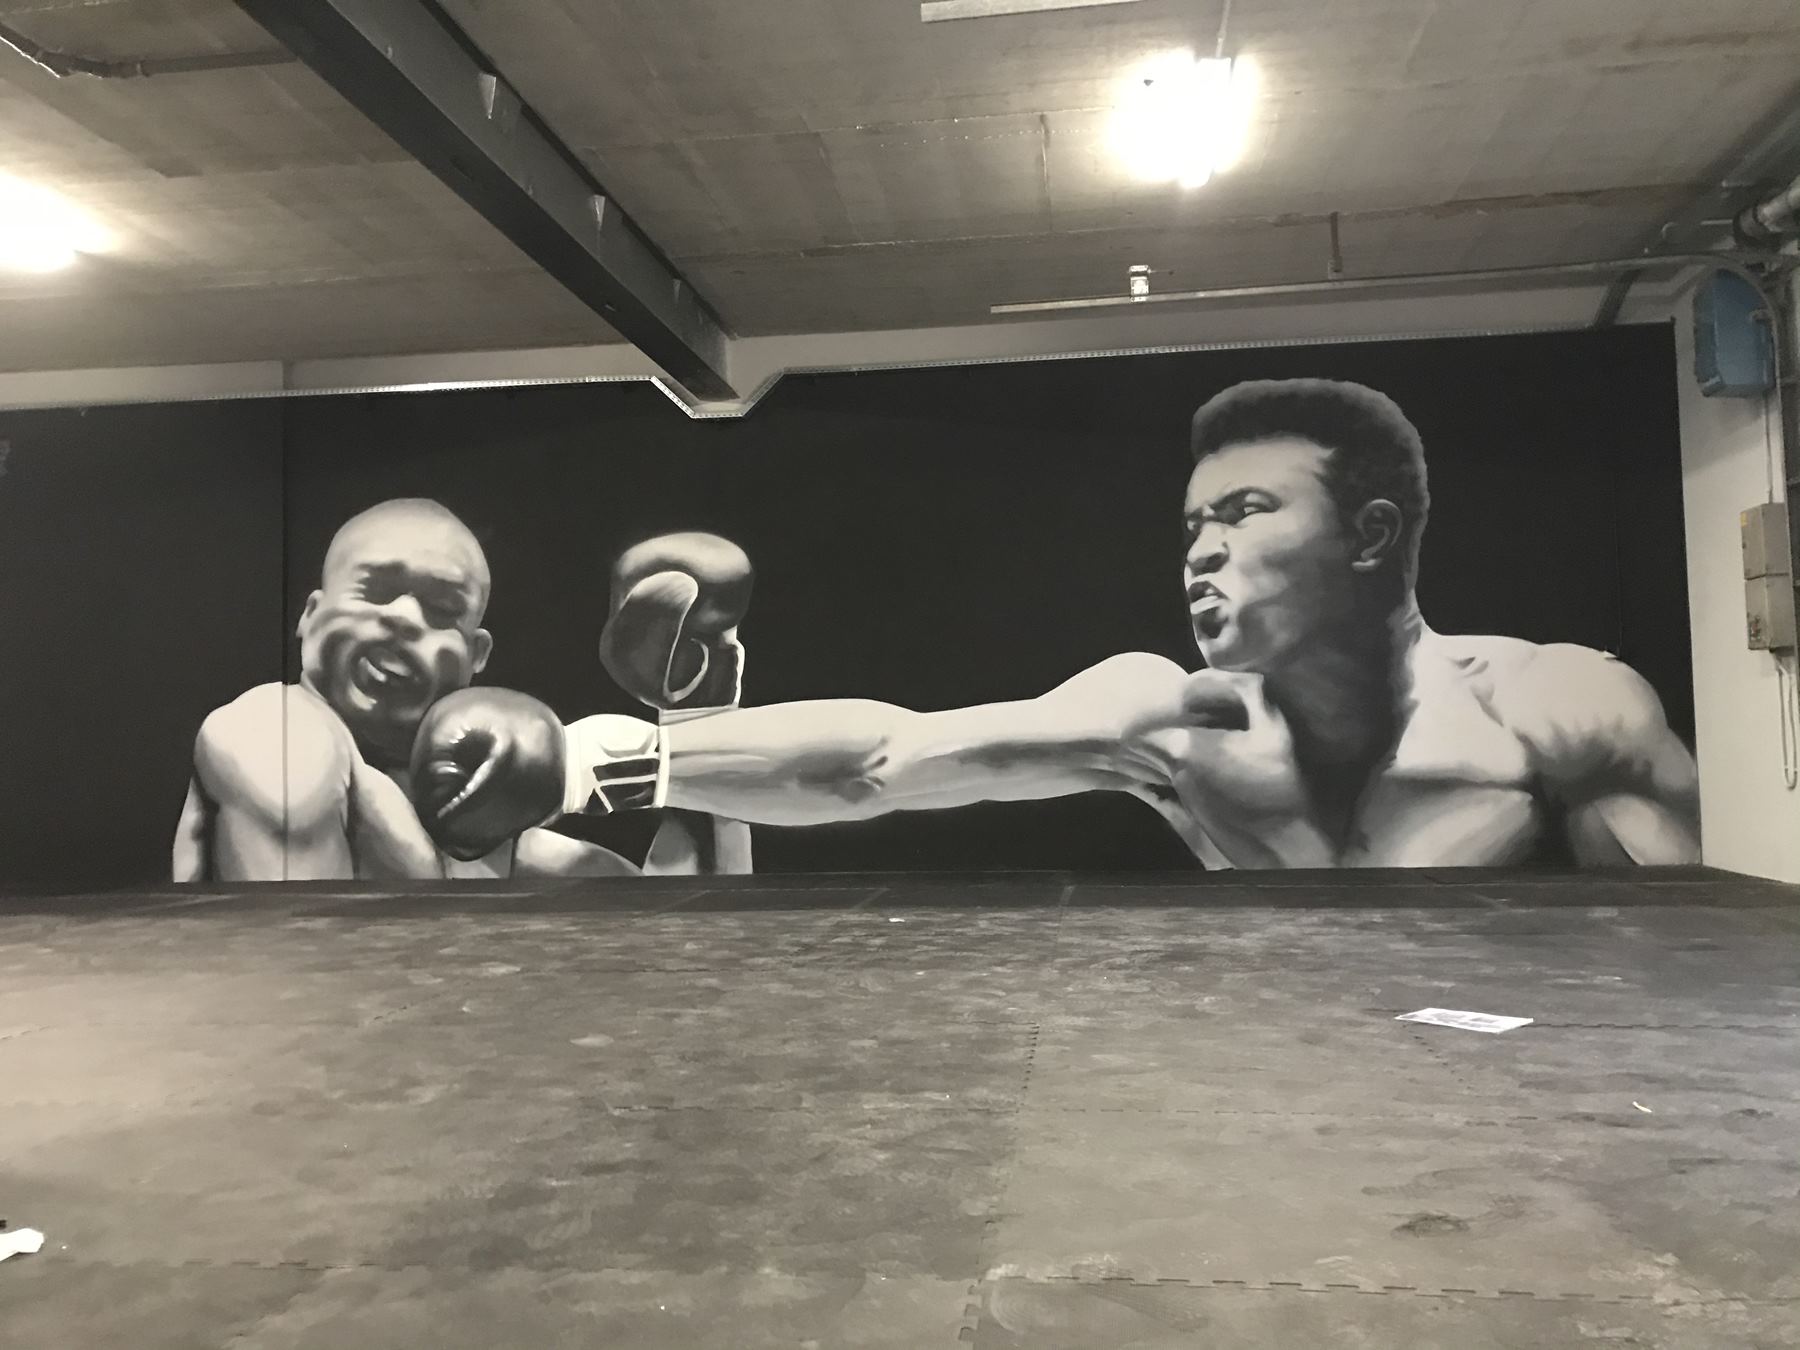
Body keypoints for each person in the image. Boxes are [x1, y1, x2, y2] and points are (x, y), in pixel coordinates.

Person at [412, 379, 1701, 869]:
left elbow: (1675, 971)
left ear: (1369, 535)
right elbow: (888, 759)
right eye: (1191, 525)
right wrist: (597, 761)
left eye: (1245, 514)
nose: (1201, 552)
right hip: (1286, 1081)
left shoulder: (1557, 711)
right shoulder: (1174, 720)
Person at [172, 498, 749, 880]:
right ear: (310, 615)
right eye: (376, 591)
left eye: (441, 609)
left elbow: (685, 941)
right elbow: (301, 972)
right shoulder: (271, 729)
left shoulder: (478, 830)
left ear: (477, 657)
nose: (402, 620)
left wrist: (701, 714)